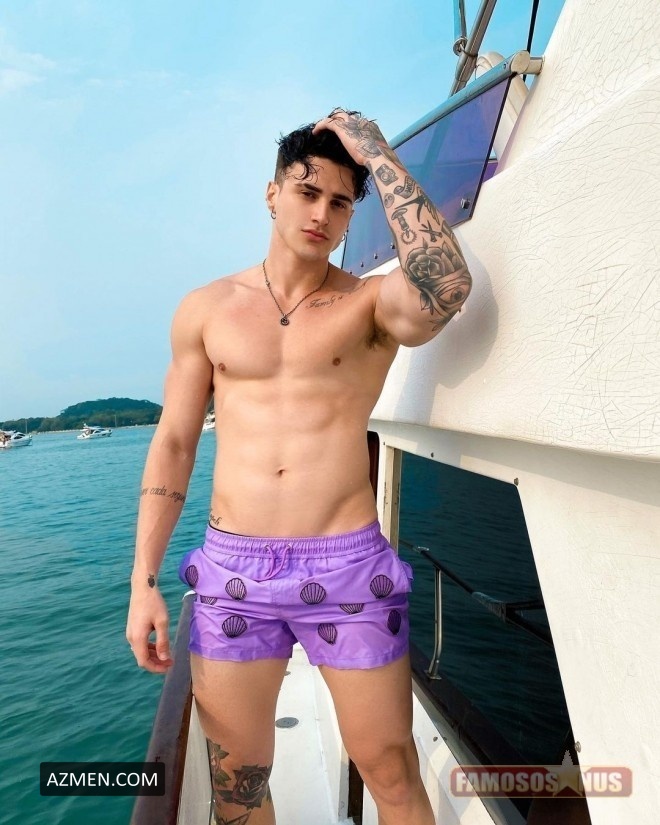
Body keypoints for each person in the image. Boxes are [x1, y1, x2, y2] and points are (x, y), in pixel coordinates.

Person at [126, 108, 472, 825]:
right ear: (272, 192)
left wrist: (375, 152)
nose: (321, 213)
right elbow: (176, 443)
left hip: (348, 564)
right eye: (307, 191)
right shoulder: (207, 309)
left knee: (390, 767)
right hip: (234, 571)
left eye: (340, 202)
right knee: (239, 785)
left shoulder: (368, 303)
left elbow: (448, 287)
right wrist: (143, 580)